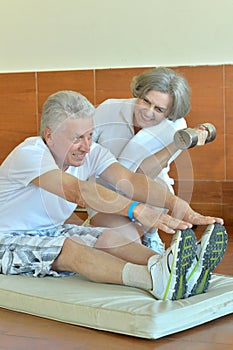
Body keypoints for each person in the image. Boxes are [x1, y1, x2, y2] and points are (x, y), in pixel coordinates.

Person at [0, 90, 227, 301]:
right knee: (69, 247)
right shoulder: (30, 154)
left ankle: (174, 267)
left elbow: (130, 180)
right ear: (49, 135)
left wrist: (176, 204)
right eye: (77, 138)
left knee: (108, 237)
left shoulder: (91, 152)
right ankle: (154, 280)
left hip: (51, 231)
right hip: (5, 239)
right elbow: (78, 191)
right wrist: (137, 209)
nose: (87, 146)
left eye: (90, 135)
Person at [91, 67, 210, 253]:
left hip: (148, 191)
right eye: (145, 101)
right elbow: (84, 150)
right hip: (104, 192)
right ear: (139, 91)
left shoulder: (176, 127)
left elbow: (143, 174)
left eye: (159, 109)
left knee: (156, 189)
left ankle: (151, 235)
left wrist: (179, 143)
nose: (147, 112)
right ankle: (149, 253)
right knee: (127, 245)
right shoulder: (108, 109)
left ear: (170, 113)